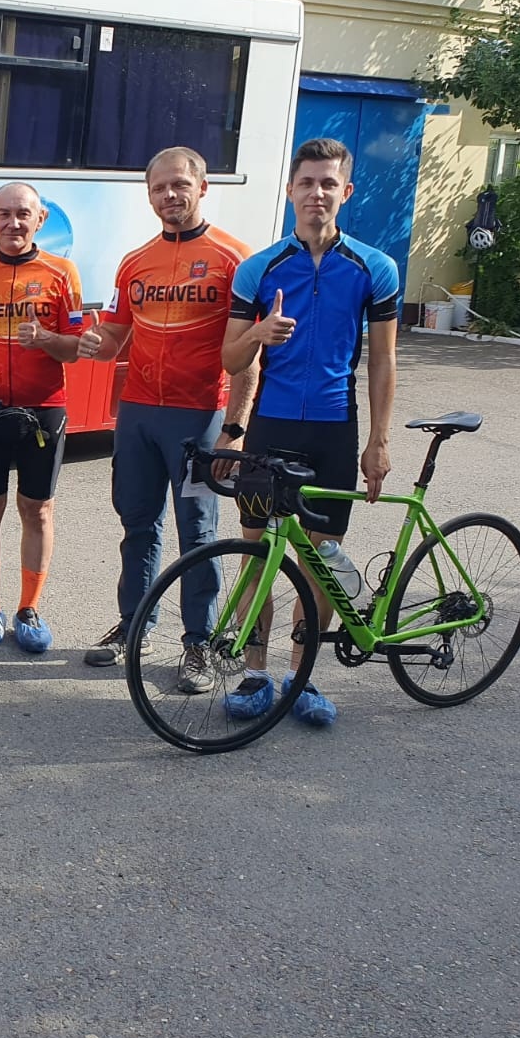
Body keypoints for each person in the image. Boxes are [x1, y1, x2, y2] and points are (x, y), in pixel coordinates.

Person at [220, 137, 400, 725]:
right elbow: (229, 358)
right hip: (271, 427)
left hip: (333, 429)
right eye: (307, 182)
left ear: (346, 192)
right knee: (255, 553)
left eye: (328, 183)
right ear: (290, 190)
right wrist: (258, 334)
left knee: (319, 560)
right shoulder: (260, 268)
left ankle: (302, 676)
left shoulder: (374, 267)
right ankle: (255, 674)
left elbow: (383, 361)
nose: (316, 193)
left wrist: (378, 441)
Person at [78, 147, 257, 692]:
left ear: (202, 187)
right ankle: (135, 624)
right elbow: (114, 337)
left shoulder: (236, 259)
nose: (169, 195)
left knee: (198, 533)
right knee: (137, 524)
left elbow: (248, 355)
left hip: (199, 415)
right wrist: (86, 340)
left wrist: (234, 430)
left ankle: (199, 641)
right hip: (137, 414)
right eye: (159, 188)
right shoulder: (135, 262)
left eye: (179, 184)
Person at [0, 182, 84, 653]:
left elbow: (75, 350)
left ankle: (29, 608)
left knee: (37, 509)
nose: (13, 223)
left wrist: (45, 339)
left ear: (40, 220)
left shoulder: (62, 273)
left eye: (23, 214)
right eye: (4, 214)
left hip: (43, 408)